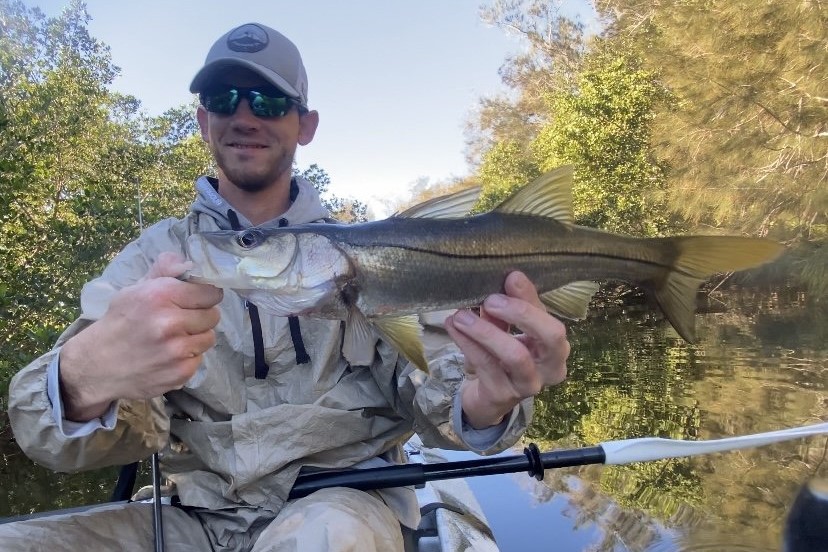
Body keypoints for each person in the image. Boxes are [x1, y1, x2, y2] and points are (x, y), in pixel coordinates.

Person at [3, 22, 569, 552]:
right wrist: (83, 378)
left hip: (342, 504)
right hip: (192, 519)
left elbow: (437, 405)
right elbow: (46, 433)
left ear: (306, 125)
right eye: (224, 99)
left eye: (270, 101)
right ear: (203, 121)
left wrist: (485, 403)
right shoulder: (156, 258)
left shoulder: (372, 254)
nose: (244, 116)